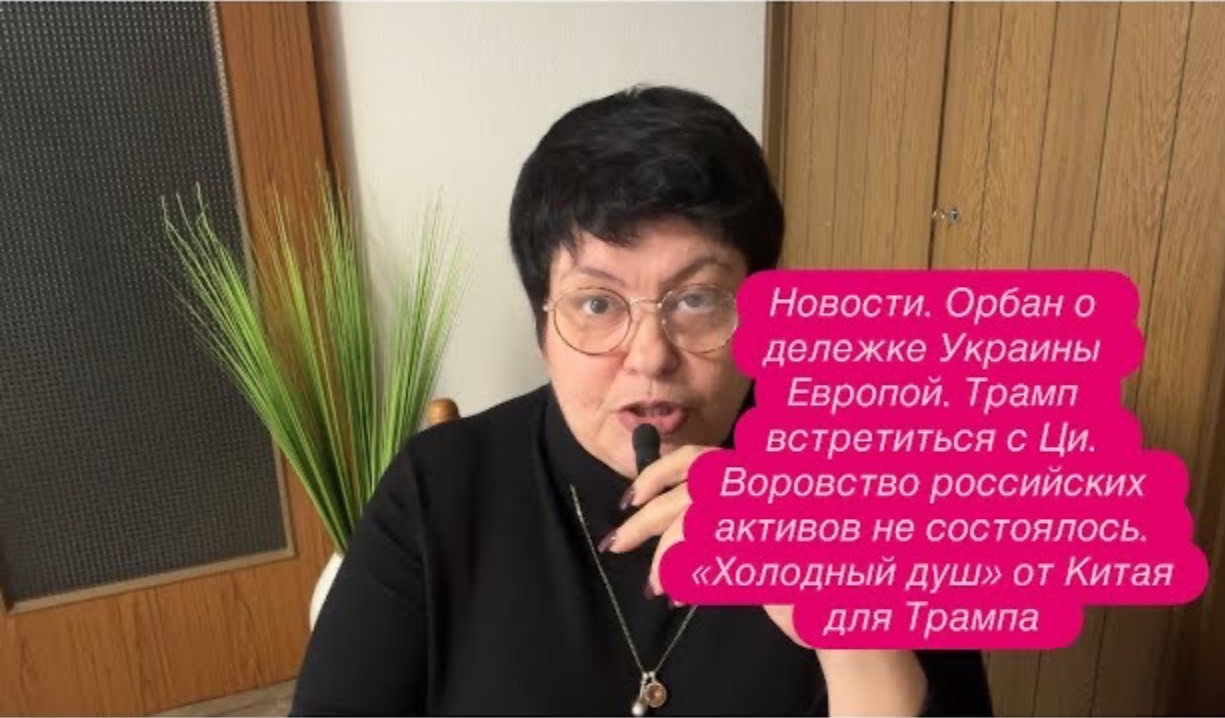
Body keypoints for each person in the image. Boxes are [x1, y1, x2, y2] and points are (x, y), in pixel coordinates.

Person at [290, 84, 994, 716]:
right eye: (597, 303)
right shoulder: (439, 489)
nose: (651, 355)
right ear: (541, 327)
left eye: (698, 298)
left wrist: (857, 644)